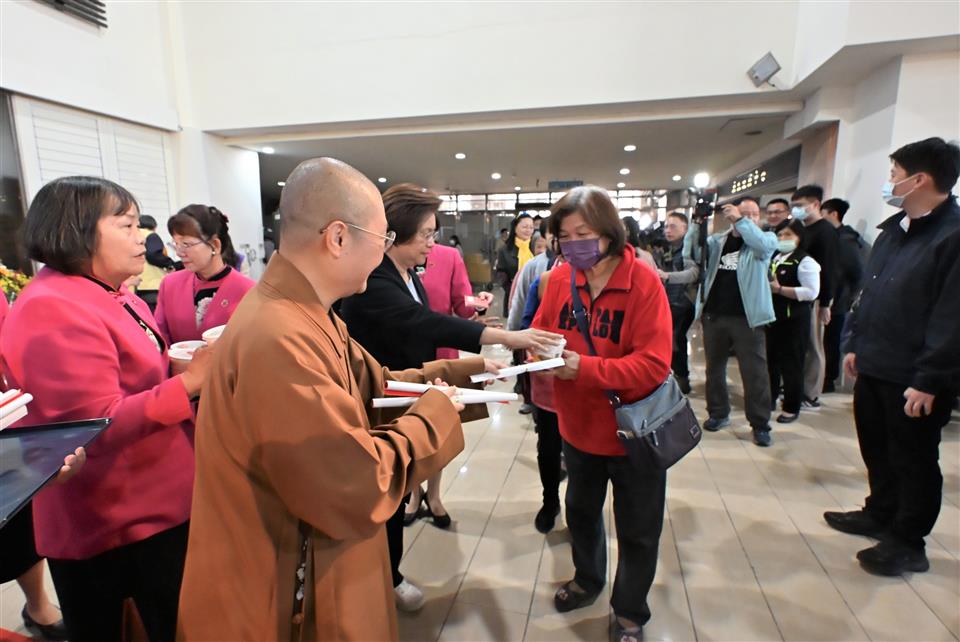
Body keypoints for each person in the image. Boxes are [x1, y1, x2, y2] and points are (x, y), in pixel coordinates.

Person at [178, 159, 489, 641]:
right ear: (339, 237)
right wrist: (434, 414)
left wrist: (468, 374)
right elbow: (355, 484)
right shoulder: (278, 334)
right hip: (278, 582)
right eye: (382, 237)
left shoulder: (305, 311)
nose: (385, 250)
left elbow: (375, 386)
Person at [0, 175, 211, 642]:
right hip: (116, 521)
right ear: (77, 231)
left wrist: (176, 371)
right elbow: (94, 426)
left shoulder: (110, 291)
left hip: (156, 499)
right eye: (127, 225)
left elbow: (134, 376)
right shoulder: (53, 306)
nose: (143, 239)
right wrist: (191, 383)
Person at [338, 182, 561, 613]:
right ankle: (383, 580)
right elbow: (424, 323)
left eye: (433, 233)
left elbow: (427, 323)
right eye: (425, 234)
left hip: (409, 389)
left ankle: (389, 572)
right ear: (393, 235)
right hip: (379, 402)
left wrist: (470, 368)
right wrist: (507, 337)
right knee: (382, 499)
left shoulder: (407, 274)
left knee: (399, 490)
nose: (432, 243)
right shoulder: (374, 281)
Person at [531, 186, 671, 642]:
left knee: (638, 531)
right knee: (581, 514)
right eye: (566, 236)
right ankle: (588, 579)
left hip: (635, 434)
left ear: (609, 232)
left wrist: (584, 368)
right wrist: (533, 354)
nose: (574, 244)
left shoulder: (642, 282)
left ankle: (630, 611)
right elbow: (542, 334)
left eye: (584, 233)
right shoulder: (558, 280)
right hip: (578, 429)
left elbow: (653, 364)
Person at [824, 137, 960, 577]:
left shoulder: (952, 236)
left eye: (894, 174)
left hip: (915, 375)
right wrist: (853, 343)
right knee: (877, 447)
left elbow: (951, 316)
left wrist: (929, 378)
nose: (889, 182)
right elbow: (868, 293)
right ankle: (880, 511)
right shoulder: (893, 231)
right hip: (875, 362)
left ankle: (908, 540)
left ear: (919, 180)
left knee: (913, 458)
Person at [685, 196, 777, 446]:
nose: (749, 218)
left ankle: (760, 424)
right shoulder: (717, 241)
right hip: (714, 315)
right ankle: (718, 413)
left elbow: (762, 247)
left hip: (748, 318)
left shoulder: (766, 240)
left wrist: (741, 221)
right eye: (743, 213)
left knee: (754, 372)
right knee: (714, 369)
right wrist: (697, 223)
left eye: (754, 214)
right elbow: (692, 253)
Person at [153, 205, 255, 345]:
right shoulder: (170, 284)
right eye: (176, 244)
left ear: (215, 245)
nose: (179, 252)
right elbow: (160, 336)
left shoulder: (247, 290)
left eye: (186, 244)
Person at [766, 219, 821, 423]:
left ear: (799, 237)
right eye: (780, 235)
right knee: (771, 361)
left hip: (794, 320)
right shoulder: (776, 257)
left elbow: (811, 292)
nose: (783, 239)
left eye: (788, 235)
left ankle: (791, 407)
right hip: (773, 318)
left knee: (792, 364)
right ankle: (769, 399)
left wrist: (780, 290)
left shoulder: (805, 261)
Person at [789, 185, 839, 409]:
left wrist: (825, 303)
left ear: (815, 204)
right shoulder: (798, 228)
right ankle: (796, 386)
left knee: (814, 344)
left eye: (800, 205)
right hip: (795, 294)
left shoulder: (826, 231)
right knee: (799, 343)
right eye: (794, 206)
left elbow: (830, 268)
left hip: (816, 296)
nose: (796, 210)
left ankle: (811, 392)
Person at [420, 237, 493, 360]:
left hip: (441, 347)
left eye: (431, 233)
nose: (430, 241)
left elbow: (463, 303)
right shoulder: (388, 256)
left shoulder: (448, 255)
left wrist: (480, 302)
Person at [820, 198, 865, 393]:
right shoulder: (832, 237)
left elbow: (857, 273)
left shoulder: (846, 240)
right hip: (829, 298)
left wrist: (848, 299)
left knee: (830, 342)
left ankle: (827, 380)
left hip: (838, 301)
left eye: (822, 213)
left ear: (833, 214)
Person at [653, 212, 700, 394]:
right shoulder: (667, 249)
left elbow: (693, 273)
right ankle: (674, 376)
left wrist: (667, 276)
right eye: (666, 226)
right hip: (669, 300)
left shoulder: (689, 249)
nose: (668, 230)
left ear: (685, 229)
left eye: (673, 226)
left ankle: (682, 378)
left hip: (684, 302)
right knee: (669, 339)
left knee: (675, 339)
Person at [134, 215, 176, 312]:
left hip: (139, 285)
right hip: (153, 284)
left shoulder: (134, 235)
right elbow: (153, 254)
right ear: (154, 226)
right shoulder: (151, 235)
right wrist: (169, 264)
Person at [495, 213, 536, 316]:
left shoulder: (536, 246)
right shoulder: (504, 250)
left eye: (531, 227)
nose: (528, 230)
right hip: (514, 296)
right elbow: (501, 273)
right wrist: (512, 289)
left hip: (536, 295)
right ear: (515, 228)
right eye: (524, 227)